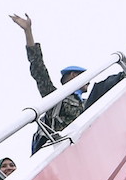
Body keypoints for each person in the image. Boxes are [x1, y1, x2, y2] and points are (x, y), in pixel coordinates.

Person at [9, 13, 87, 152]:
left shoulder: (87, 102)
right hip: (57, 150)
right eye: (84, 76)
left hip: (81, 150)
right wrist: (28, 31)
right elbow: (39, 69)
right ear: (74, 75)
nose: (89, 81)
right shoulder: (56, 97)